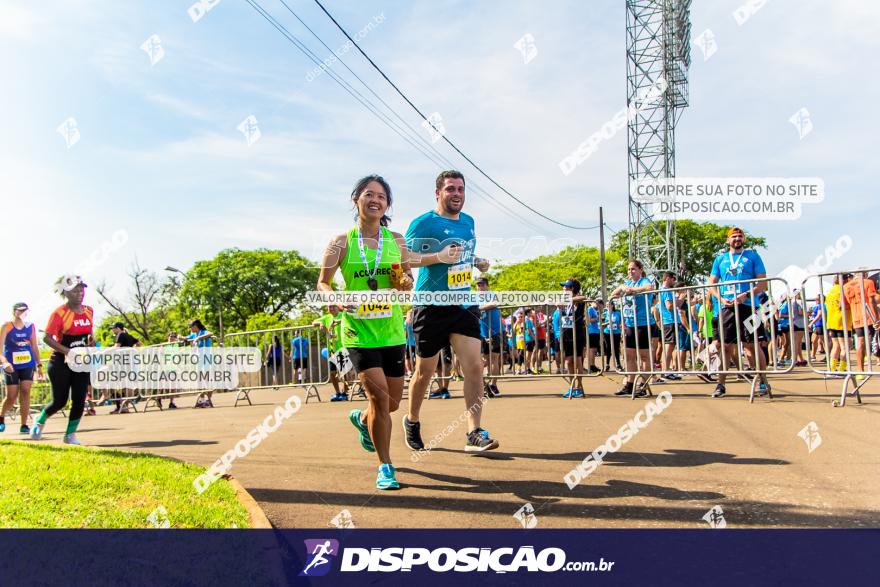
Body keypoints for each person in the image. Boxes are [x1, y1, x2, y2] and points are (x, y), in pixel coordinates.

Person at [317, 174, 413, 489]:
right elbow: (323, 281)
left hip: (392, 330)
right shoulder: (340, 242)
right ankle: (386, 466)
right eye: (368, 194)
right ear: (356, 199)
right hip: (358, 331)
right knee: (380, 400)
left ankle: (362, 419)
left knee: (393, 403)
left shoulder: (396, 240)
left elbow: (406, 277)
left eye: (381, 196)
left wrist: (405, 282)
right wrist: (330, 298)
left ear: (387, 205)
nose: (375, 200)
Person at [403, 170, 498, 453]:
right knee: (425, 372)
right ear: (438, 193)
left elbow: (463, 254)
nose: (456, 194)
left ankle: (474, 432)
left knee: (474, 366)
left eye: (460, 189)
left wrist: (477, 261)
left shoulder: (469, 222)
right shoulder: (423, 223)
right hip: (430, 305)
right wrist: (438, 257)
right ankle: (412, 420)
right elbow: (403, 258)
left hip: (463, 303)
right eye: (450, 189)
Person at [707, 227, 770, 398]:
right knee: (725, 347)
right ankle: (721, 385)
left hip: (749, 307)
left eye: (740, 236)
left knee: (752, 346)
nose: (737, 239)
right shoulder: (720, 259)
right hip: (727, 307)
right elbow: (712, 283)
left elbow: (762, 283)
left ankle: (762, 381)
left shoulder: (753, 256)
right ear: (728, 240)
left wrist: (747, 294)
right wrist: (720, 299)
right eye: (733, 236)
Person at [32, 275, 94, 444]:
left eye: (82, 288)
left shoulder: (89, 310)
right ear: (66, 293)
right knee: (59, 401)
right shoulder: (59, 313)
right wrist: (67, 351)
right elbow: (47, 338)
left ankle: (70, 434)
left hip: (81, 362)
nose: (80, 292)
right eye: (75, 290)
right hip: (60, 362)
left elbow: (89, 333)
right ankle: (40, 420)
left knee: (80, 398)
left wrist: (91, 342)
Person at [611, 260, 655, 397]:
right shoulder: (628, 283)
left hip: (643, 323)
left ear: (640, 269)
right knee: (629, 356)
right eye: (629, 270)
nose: (631, 272)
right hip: (630, 324)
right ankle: (629, 384)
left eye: (633, 269)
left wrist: (634, 291)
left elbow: (649, 287)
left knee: (644, 356)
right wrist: (622, 287)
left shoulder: (644, 280)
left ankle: (644, 384)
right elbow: (613, 294)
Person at [0, 303, 42, 434]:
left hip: (27, 364)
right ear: (14, 312)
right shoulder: (7, 326)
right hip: (11, 366)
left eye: (26, 310)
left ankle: (24, 424)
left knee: (25, 391)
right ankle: (1, 417)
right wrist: (5, 362)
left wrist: (39, 365)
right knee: (11, 396)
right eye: (21, 310)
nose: (24, 312)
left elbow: (35, 346)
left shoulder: (31, 326)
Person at [842, 269, 880, 379]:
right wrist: (876, 318)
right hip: (870, 316)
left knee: (861, 342)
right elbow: (872, 300)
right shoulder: (868, 282)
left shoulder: (846, 286)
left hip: (856, 318)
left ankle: (860, 370)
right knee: (875, 339)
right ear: (865, 274)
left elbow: (844, 305)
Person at [559, 279, 587, 398]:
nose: (564, 289)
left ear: (573, 289)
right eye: (564, 287)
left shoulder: (578, 300)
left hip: (578, 333)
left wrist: (568, 299)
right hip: (566, 333)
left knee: (577, 360)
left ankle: (579, 387)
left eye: (567, 287)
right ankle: (572, 386)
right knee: (568, 361)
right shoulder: (563, 302)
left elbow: (583, 297)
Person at [476, 276, 502, 397]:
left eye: (481, 284)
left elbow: (494, 304)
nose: (479, 287)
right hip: (481, 333)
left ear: (487, 285)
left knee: (494, 358)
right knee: (483, 360)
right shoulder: (474, 297)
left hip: (495, 331)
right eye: (478, 285)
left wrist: (479, 308)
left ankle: (493, 384)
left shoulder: (492, 294)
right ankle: (483, 383)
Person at [109, 322, 141, 414]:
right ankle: (125, 406)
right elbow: (139, 343)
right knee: (127, 384)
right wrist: (131, 349)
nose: (112, 330)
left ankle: (124, 406)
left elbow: (116, 347)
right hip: (129, 362)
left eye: (113, 328)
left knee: (121, 383)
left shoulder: (120, 334)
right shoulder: (128, 335)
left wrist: (104, 350)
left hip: (123, 363)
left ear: (118, 328)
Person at [824, 274, 852, 375]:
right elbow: (842, 305)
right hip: (842, 321)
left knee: (836, 346)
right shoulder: (843, 289)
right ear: (844, 280)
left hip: (831, 321)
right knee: (845, 347)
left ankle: (831, 369)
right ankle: (841, 370)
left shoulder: (830, 291)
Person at [658, 272, 682, 381]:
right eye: (673, 279)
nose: (674, 281)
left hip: (669, 321)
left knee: (669, 347)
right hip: (669, 321)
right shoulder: (666, 290)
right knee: (669, 347)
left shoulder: (664, 290)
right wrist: (681, 299)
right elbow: (669, 306)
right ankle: (665, 371)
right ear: (667, 278)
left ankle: (666, 371)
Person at [187, 319, 215, 408]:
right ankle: (202, 399)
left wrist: (200, 338)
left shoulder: (203, 332)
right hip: (199, 359)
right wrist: (179, 338)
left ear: (195, 326)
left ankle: (208, 399)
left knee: (207, 379)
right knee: (199, 379)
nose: (190, 328)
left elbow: (211, 333)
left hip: (206, 358)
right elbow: (187, 338)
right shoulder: (194, 334)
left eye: (190, 326)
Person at [601, 300, 622, 371]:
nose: (607, 306)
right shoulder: (604, 314)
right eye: (606, 305)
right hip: (607, 332)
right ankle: (607, 364)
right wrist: (608, 323)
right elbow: (601, 324)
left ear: (612, 305)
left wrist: (621, 326)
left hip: (616, 333)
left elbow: (621, 322)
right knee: (608, 348)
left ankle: (618, 364)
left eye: (609, 305)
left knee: (616, 348)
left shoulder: (617, 313)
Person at [808, 295, 826, 361]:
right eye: (815, 298)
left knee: (824, 342)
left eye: (817, 298)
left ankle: (828, 356)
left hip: (820, 325)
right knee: (814, 340)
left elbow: (819, 315)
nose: (816, 300)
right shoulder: (818, 306)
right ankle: (813, 356)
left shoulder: (822, 305)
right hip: (817, 325)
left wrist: (811, 323)